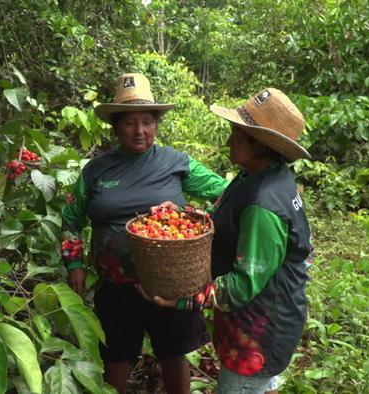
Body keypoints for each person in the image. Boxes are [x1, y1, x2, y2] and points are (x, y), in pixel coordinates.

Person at [60, 72, 229, 394]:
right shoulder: (96, 170)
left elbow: (226, 194)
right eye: (129, 123)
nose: (140, 132)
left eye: (148, 122)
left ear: (156, 124)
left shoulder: (175, 162)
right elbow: (71, 218)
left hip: (171, 283)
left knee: (174, 352)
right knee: (116, 355)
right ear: (115, 126)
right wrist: (75, 264)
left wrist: (192, 217)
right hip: (116, 285)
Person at [139, 88, 313, 394]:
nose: (228, 141)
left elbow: (243, 285)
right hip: (264, 320)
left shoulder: (263, 204)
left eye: (236, 134)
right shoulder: (258, 176)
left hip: (259, 333)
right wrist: (178, 216)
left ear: (259, 145)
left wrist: (182, 299)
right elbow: (227, 217)